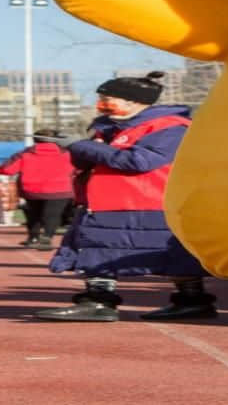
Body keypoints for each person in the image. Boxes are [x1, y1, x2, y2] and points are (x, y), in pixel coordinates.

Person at [35, 72, 215, 322]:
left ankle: (192, 301)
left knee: (173, 255)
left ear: (135, 102)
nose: (102, 104)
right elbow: (94, 159)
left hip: (147, 201)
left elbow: (139, 160)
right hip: (106, 201)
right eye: (101, 99)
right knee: (97, 249)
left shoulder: (170, 127)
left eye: (108, 99)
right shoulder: (106, 128)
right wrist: (72, 145)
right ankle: (98, 300)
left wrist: (80, 145)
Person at [0, 132, 76, 247]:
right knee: (53, 215)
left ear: (35, 140)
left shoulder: (24, 153)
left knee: (33, 214)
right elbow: (79, 168)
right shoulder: (68, 154)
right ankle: (47, 236)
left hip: (32, 189)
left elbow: (8, 169)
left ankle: (33, 237)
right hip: (61, 189)